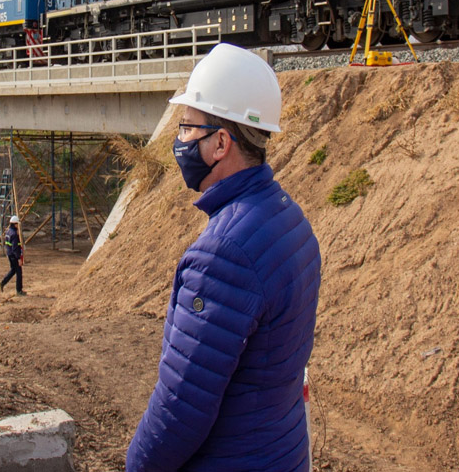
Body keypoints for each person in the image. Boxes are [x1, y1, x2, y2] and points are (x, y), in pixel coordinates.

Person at [126, 43, 321, 472]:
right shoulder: (289, 218)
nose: (178, 140)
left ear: (219, 143)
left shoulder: (225, 254)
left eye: (187, 127)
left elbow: (181, 407)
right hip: (281, 451)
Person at [0, 215, 25, 296]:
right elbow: (15, 248)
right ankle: (19, 291)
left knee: (13, 270)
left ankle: (3, 282)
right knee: (19, 273)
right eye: (17, 224)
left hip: (9, 254)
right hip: (14, 256)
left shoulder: (8, 232)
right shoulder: (14, 234)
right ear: (15, 224)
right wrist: (19, 258)